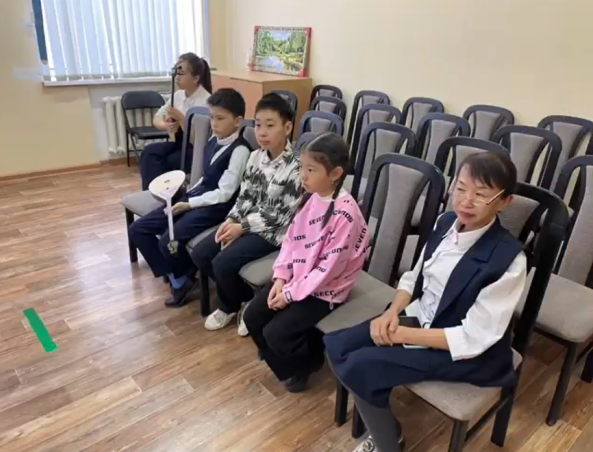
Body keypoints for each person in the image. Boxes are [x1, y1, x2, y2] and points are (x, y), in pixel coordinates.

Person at [324, 152, 528, 452]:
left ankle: (388, 444)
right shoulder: (446, 223)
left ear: (504, 201)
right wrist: (393, 312)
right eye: (461, 188)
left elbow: (473, 337)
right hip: (418, 318)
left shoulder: (509, 259)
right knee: (337, 346)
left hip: (460, 349)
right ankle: (386, 427)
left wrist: (402, 334)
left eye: (481, 194)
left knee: (360, 366)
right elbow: (414, 276)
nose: (466, 201)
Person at [243, 133, 370, 393]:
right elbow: (291, 241)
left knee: (276, 333)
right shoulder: (313, 197)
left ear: (335, 174)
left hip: (325, 289)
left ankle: (306, 363)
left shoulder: (345, 214)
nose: (303, 175)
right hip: (297, 278)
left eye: (311, 169)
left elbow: (328, 270)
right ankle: (282, 358)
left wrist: (289, 295)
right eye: (302, 167)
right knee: (253, 315)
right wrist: (280, 278)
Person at [190, 93, 303, 332]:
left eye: (270, 125)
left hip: (273, 234)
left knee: (222, 261)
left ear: (287, 127)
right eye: (258, 125)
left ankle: (228, 306)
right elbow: (245, 196)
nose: (262, 132)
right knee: (201, 253)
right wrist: (232, 219)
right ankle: (244, 296)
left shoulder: (296, 167)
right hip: (246, 223)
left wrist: (241, 227)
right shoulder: (255, 157)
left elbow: (279, 217)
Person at [128, 88, 252, 307]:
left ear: (237, 121)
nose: (214, 123)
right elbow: (206, 176)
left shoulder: (240, 150)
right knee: (138, 229)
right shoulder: (214, 140)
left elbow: (224, 193)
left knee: (168, 240)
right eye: (212, 117)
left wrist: (189, 204)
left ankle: (182, 278)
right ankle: (179, 278)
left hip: (215, 208)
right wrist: (187, 191)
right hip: (195, 198)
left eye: (220, 118)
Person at [139, 52, 212, 190]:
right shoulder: (178, 96)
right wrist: (167, 125)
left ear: (196, 78)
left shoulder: (206, 101)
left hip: (196, 149)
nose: (177, 77)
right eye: (176, 73)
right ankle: (151, 194)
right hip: (178, 144)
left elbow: (198, 139)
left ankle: (166, 194)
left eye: (181, 74)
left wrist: (182, 119)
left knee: (168, 161)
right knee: (149, 153)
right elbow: (157, 119)